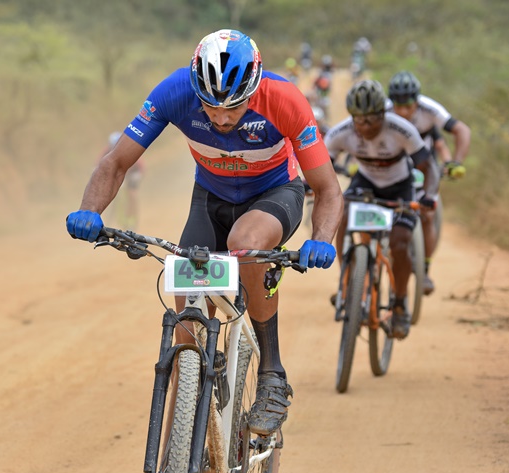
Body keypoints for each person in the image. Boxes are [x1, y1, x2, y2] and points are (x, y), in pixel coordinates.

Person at [67, 29, 343, 436]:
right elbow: (116, 162)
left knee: (243, 246)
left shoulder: (285, 100)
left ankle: (272, 373)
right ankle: (182, 446)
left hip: (274, 194)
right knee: (186, 328)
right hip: (210, 198)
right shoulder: (174, 91)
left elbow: (328, 189)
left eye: (234, 107)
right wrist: (89, 210)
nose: (222, 118)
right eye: (210, 106)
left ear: (254, 89)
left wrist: (321, 239)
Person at [324, 80, 438, 339]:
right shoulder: (341, 132)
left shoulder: (401, 129)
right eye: (360, 120)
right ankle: (347, 283)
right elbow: (320, 164)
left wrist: (429, 195)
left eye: (373, 120)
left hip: (400, 186)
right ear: (352, 117)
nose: (366, 126)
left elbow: (428, 166)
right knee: (341, 214)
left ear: (383, 114)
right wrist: (309, 184)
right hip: (365, 183)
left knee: (399, 242)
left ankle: (399, 303)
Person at [387, 70, 471, 295]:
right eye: (398, 105)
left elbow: (461, 130)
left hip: (424, 168)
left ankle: (424, 269)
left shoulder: (430, 111)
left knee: (428, 215)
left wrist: (455, 162)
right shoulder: (383, 111)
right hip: (394, 167)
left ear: (417, 101)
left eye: (408, 105)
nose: (403, 111)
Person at [103, 131, 144, 230]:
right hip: (120, 173)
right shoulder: (106, 151)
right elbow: (99, 163)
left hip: (133, 173)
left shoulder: (129, 150)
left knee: (132, 194)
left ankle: (132, 221)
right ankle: (108, 221)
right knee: (112, 195)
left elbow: (140, 167)